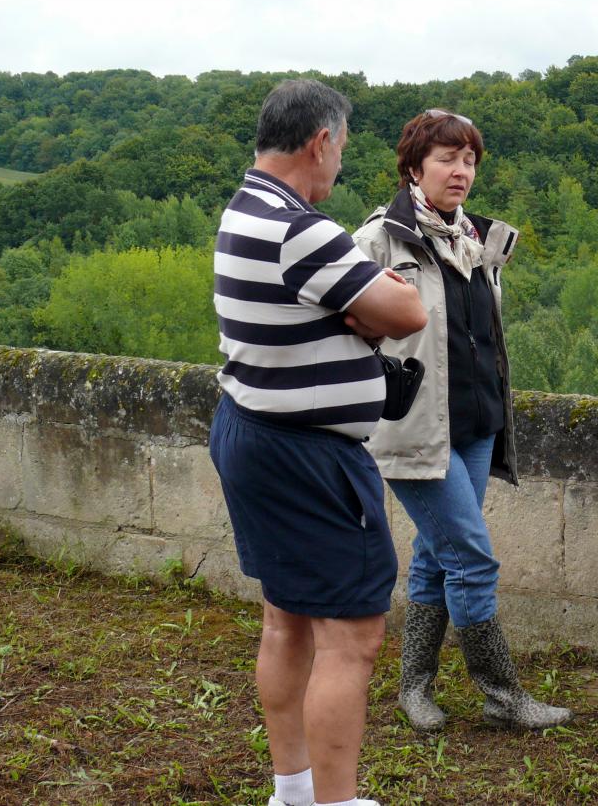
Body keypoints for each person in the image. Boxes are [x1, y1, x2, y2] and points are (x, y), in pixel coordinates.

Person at [209, 79, 427, 806]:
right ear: (320, 142)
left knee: (287, 617)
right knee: (354, 635)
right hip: (311, 456)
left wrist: (357, 314)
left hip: (252, 430)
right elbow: (407, 310)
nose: (340, 163)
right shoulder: (300, 226)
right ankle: (334, 801)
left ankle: (294, 789)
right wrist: (373, 306)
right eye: (341, 146)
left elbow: (344, 311)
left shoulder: (244, 209)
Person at [352, 109, 572, 733]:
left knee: (436, 554)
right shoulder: (378, 241)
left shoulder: (474, 238)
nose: (461, 171)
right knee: (472, 558)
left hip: (475, 425)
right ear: (414, 167)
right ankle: (502, 695)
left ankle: (414, 689)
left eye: (470, 159)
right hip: (414, 429)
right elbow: (342, 328)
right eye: (448, 158)